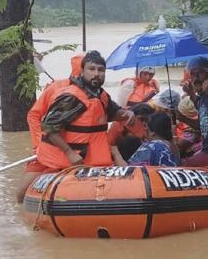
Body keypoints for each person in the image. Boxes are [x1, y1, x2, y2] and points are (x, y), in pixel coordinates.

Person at [36, 50, 135, 171]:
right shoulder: (71, 97)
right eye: (91, 69)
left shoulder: (101, 94)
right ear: (82, 72)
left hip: (92, 161)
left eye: (101, 70)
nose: (96, 73)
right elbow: (48, 128)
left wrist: (128, 113)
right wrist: (69, 152)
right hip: (67, 161)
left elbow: (114, 112)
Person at [15, 53, 84, 203]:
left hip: (82, 153)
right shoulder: (56, 88)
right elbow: (34, 116)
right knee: (21, 193)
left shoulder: (98, 95)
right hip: (51, 149)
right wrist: (38, 144)